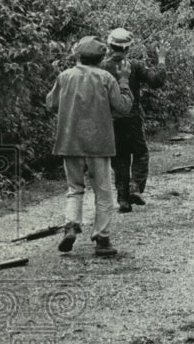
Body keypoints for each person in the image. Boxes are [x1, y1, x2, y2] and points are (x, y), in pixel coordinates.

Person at [46, 36, 134, 257]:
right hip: (99, 143)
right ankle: (102, 239)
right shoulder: (106, 78)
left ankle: (71, 225)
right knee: (103, 192)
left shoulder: (64, 77)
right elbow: (123, 107)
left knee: (74, 189)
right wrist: (124, 81)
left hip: (69, 141)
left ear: (77, 55)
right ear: (102, 57)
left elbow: (51, 104)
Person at [100, 27, 166, 213]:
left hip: (110, 120)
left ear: (109, 45)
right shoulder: (135, 65)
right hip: (132, 117)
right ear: (128, 48)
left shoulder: (101, 67)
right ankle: (135, 186)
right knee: (140, 153)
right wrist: (161, 59)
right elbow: (157, 81)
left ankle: (123, 199)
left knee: (119, 158)